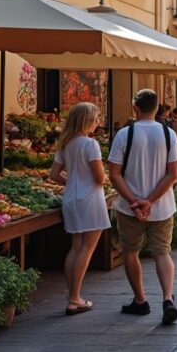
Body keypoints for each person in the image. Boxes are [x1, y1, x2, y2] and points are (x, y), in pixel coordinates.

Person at [107, 89, 177, 325]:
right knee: (163, 252)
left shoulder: (124, 134)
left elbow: (114, 174)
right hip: (161, 206)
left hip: (129, 206)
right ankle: (167, 298)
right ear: (157, 108)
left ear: (135, 108)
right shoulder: (168, 134)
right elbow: (173, 174)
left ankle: (140, 300)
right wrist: (150, 201)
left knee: (131, 252)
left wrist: (134, 201)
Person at [48, 102, 110, 315]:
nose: (98, 122)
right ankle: (75, 298)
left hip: (71, 199)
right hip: (90, 199)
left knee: (76, 248)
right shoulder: (90, 144)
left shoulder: (65, 144)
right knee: (87, 248)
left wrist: (73, 182)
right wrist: (105, 177)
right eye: (96, 118)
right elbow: (100, 177)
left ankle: (72, 295)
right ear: (87, 120)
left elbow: (53, 175)